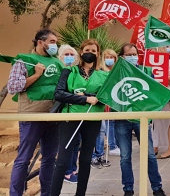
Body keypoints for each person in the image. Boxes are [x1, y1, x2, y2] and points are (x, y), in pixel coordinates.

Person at [7, 29, 63, 196]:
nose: (55, 45)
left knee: (50, 158)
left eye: (56, 42)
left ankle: (47, 193)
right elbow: (13, 87)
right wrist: (37, 75)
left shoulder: (58, 63)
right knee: (24, 159)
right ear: (40, 42)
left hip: (54, 116)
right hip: (32, 116)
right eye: (52, 42)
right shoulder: (24, 61)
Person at [51, 39, 109, 196]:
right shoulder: (69, 71)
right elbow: (59, 93)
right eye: (87, 50)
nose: (90, 53)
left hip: (93, 120)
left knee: (85, 160)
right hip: (70, 118)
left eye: (94, 51)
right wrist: (85, 99)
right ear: (81, 52)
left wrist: (88, 95)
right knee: (62, 160)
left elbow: (107, 97)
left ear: (98, 54)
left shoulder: (104, 75)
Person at [115, 43, 166, 196]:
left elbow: (153, 92)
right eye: (129, 55)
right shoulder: (117, 73)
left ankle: (157, 188)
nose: (132, 57)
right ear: (122, 57)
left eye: (134, 54)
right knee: (125, 157)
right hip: (122, 118)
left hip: (141, 119)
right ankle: (128, 190)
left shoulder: (146, 70)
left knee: (150, 155)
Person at [57, 44, 81, 184]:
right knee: (66, 142)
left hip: (75, 110)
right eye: (66, 54)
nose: (69, 57)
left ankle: (73, 169)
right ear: (60, 57)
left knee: (76, 141)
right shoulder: (60, 71)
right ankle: (66, 172)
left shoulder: (75, 71)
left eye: (71, 55)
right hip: (63, 111)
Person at [99, 49, 120, 156]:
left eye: (111, 57)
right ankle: (112, 146)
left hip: (116, 99)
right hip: (106, 100)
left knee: (114, 122)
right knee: (109, 123)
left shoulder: (117, 70)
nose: (109, 59)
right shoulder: (101, 71)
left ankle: (114, 144)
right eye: (107, 57)